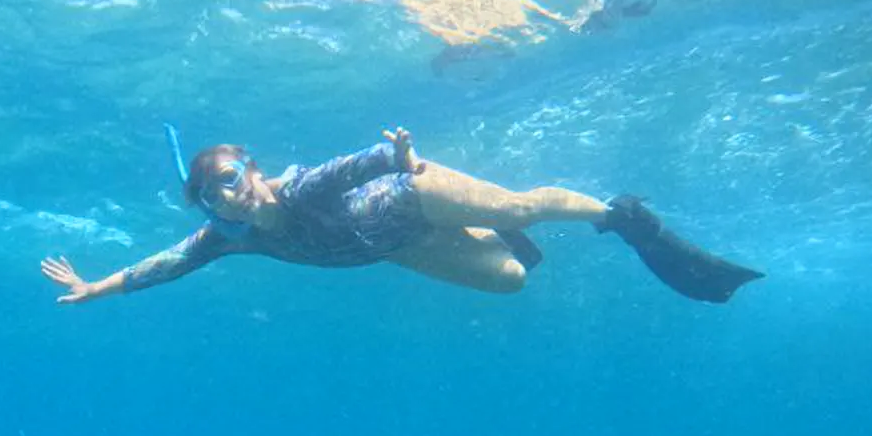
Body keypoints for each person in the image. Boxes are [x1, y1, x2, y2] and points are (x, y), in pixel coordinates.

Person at [39, 129, 761, 306]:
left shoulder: (296, 189)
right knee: (511, 279)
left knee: (518, 208)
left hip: (411, 195)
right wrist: (96, 287)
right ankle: (491, 234)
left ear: (251, 171)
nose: (226, 198)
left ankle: (620, 216)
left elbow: (355, 166)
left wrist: (401, 156)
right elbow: (165, 264)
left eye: (230, 181)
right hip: (399, 246)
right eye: (211, 196)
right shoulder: (224, 240)